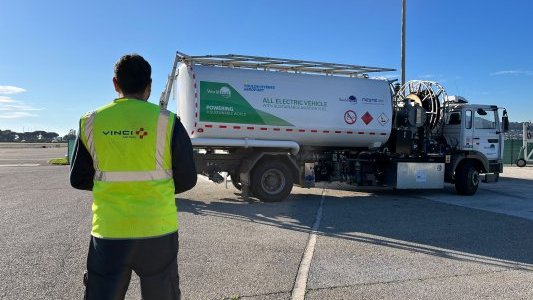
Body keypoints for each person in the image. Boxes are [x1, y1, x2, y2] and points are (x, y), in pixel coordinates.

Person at [70, 53, 197, 300]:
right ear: (149, 86)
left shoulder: (90, 122)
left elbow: (78, 178)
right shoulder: (168, 122)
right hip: (158, 230)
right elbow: (188, 178)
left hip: (109, 231)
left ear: (115, 84)